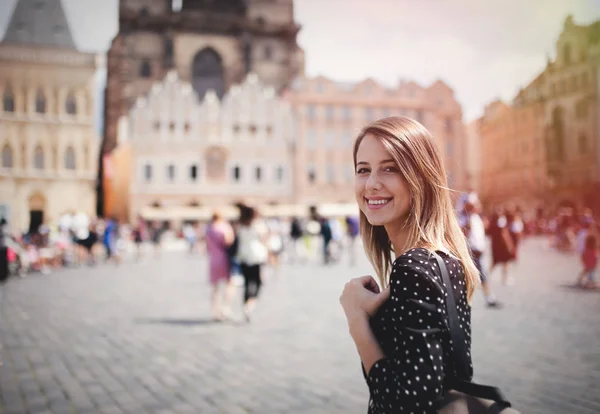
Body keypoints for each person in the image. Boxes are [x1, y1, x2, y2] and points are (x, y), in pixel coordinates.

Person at [339, 116, 480, 413]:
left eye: (389, 169)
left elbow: (409, 402)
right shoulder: (442, 259)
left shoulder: (414, 266)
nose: (372, 184)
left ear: (421, 177)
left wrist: (357, 321)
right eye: (363, 170)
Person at [463, 202, 500, 307]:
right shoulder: (470, 218)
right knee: (480, 275)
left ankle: (488, 298)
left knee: (475, 275)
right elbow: (469, 233)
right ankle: (489, 298)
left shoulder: (476, 218)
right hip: (475, 250)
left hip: (477, 249)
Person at [236, 206, 268, 322]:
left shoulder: (240, 225)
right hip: (256, 256)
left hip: (244, 256)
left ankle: (246, 304)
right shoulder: (258, 225)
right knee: (258, 282)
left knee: (247, 282)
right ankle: (250, 304)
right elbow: (264, 239)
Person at [205, 212, 235, 320]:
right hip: (224, 258)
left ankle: (215, 311)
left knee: (215, 287)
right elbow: (229, 242)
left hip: (213, 259)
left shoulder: (208, 229)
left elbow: (207, 245)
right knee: (229, 283)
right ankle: (225, 308)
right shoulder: (225, 227)